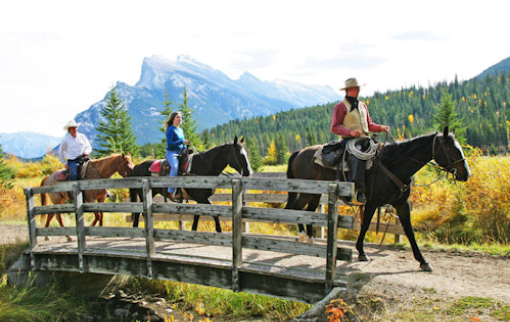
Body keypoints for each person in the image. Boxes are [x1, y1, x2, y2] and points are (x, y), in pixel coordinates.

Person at [330, 78, 390, 204]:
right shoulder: (341, 107)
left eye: (358, 88)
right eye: (356, 88)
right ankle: (359, 191)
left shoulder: (363, 105)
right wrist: (349, 132)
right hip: (350, 142)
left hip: (365, 140)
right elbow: (334, 127)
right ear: (349, 90)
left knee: (382, 154)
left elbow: (369, 124)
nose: (358, 90)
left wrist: (380, 128)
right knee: (357, 159)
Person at [165, 112, 189, 201]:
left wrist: (186, 148)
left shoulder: (180, 130)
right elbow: (170, 144)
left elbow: (182, 143)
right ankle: (171, 192)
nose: (180, 119)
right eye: (178, 117)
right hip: (172, 153)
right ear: (173, 119)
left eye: (181, 117)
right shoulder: (170, 129)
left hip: (181, 152)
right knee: (175, 167)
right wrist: (182, 141)